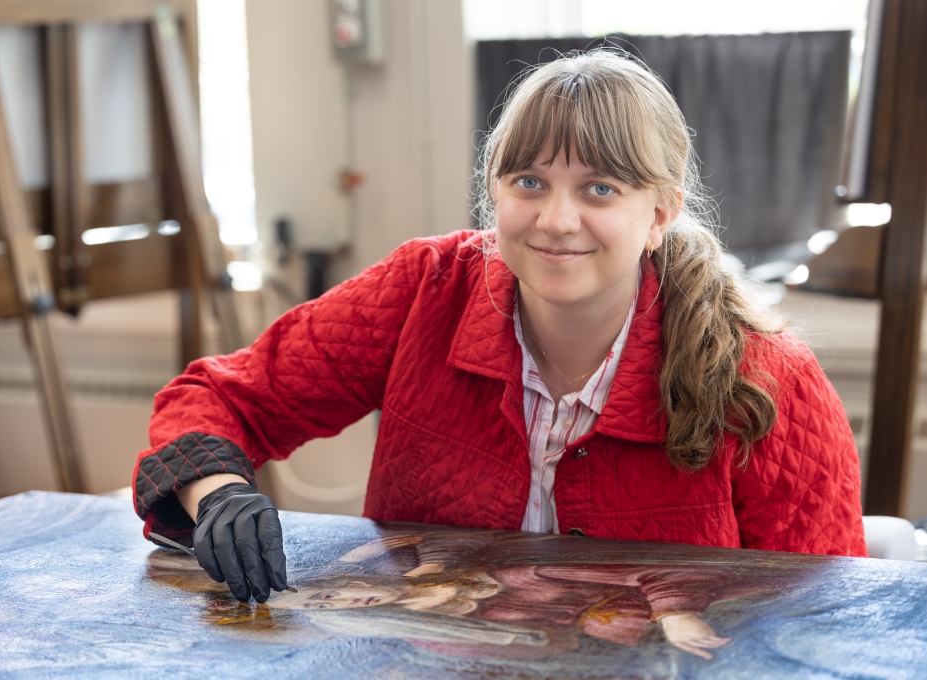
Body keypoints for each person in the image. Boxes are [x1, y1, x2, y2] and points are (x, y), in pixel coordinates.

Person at [132, 50, 866, 605]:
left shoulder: (763, 376)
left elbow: (824, 612)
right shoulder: (422, 290)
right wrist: (219, 493)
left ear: (659, 215)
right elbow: (223, 397)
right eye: (528, 183)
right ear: (493, 191)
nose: (555, 220)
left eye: (599, 189)